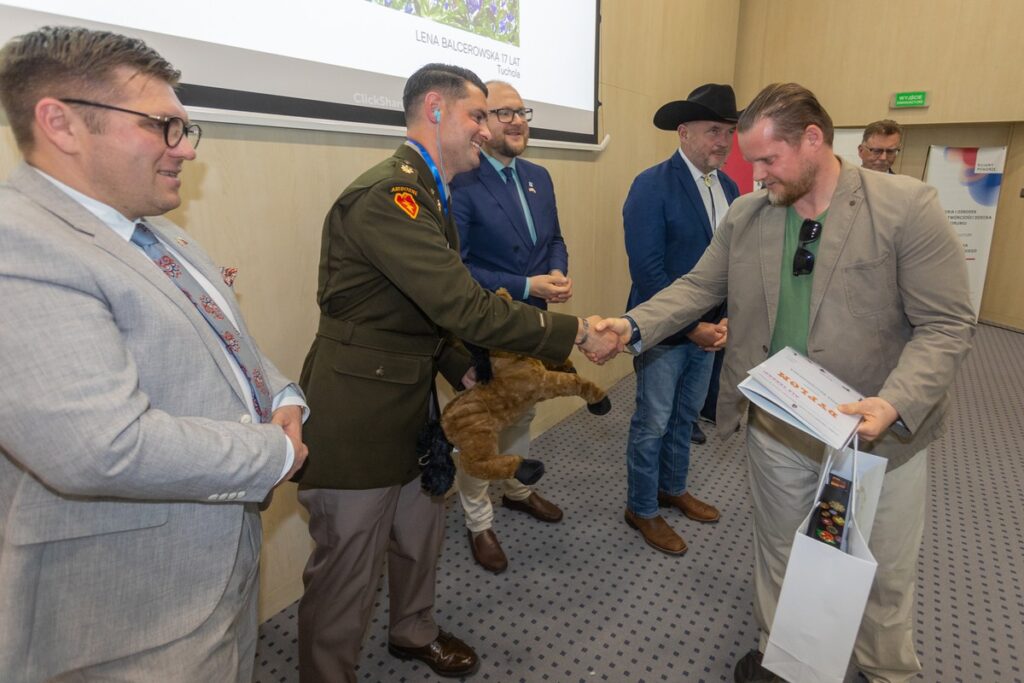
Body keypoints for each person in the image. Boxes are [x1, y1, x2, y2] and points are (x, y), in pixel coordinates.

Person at [595, 83, 975, 682]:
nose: (758, 174)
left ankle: (886, 671)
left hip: (876, 438)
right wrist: (630, 324)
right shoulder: (750, 215)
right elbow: (697, 288)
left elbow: (947, 324)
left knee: (879, 572)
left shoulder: (905, 207)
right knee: (781, 556)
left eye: (768, 160)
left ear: (814, 140)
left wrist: (895, 402)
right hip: (780, 429)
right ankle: (792, 664)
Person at [0, 26, 309, 683]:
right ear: (60, 123)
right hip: (126, 617)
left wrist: (282, 396)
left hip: (215, 566)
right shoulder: (16, 242)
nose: (185, 151)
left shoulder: (156, 230)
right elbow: (101, 445)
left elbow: (229, 345)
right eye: (163, 126)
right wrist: (274, 451)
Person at [296, 63, 618, 682]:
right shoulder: (391, 197)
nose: (486, 129)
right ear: (437, 110)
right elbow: (461, 304)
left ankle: (412, 631)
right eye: (478, 115)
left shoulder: (430, 195)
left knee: (421, 529)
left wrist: (459, 370)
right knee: (349, 565)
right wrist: (575, 332)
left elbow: (421, 312)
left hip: (415, 400)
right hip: (361, 411)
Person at [450, 81, 569, 573]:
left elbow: (554, 240)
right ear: (480, 122)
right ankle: (479, 521)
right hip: (488, 324)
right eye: (504, 112)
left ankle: (518, 488)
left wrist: (558, 273)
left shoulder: (539, 175)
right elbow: (455, 268)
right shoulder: (462, 182)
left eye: (523, 112)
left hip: (534, 323)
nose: (518, 121)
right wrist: (525, 284)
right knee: (484, 428)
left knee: (524, 411)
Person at [620, 84, 739, 555]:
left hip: (712, 330)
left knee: (686, 416)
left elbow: (733, 264)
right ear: (684, 132)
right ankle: (642, 507)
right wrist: (690, 326)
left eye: (729, 132)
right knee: (653, 419)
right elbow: (648, 272)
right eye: (714, 131)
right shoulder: (651, 184)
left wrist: (725, 321)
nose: (724, 142)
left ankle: (672, 487)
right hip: (668, 332)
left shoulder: (729, 188)